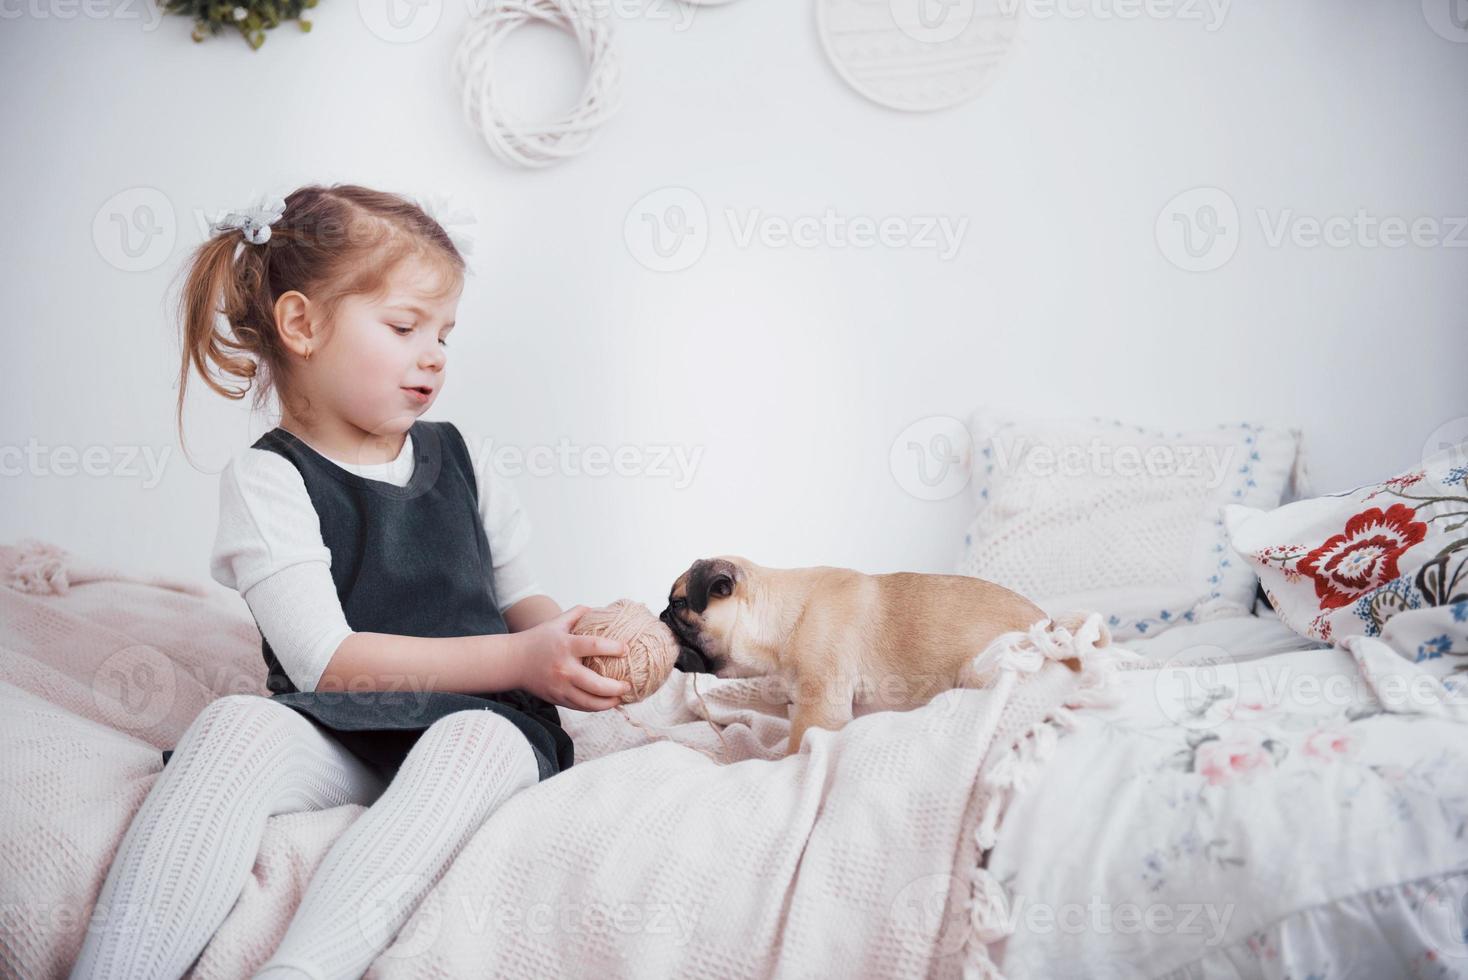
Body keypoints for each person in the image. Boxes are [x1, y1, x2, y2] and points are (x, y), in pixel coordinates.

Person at [69, 183, 631, 980]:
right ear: (301, 325)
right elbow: (323, 665)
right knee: (236, 724)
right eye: (404, 327)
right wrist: (520, 656)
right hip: (346, 729)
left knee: (472, 741)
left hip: (486, 722)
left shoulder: (462, 458)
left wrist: (568, 643)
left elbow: (519, 598)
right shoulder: (269, 479)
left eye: (444, 334)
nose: (433, 354)